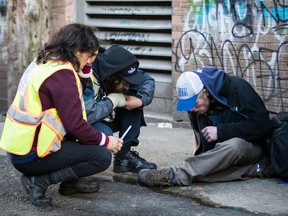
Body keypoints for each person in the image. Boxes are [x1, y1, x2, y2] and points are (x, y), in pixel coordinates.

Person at [0, 23, 123, 206]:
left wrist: (86, 67)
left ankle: (70, 183)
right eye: (90, 54)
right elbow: (75, 124)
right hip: (30, 154)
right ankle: (39, 181)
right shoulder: (61, 75)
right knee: (101, 155)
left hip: (25, 143)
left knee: (100, 129)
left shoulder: (47, 60)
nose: (92, 59)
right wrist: (107, 142)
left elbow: (74, 100)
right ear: (75, 50)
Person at [138, 67, 273, 187]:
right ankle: (258, 169)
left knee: (234, 145)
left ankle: (173, 175)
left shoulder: (238, 89)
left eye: (195, 103)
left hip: (251, 148)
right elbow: (200, 142)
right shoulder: (195, 108)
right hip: (221, 152)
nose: (192, 109)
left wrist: (221, 132)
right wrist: (203, 159)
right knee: (202, 169)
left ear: (205, 92)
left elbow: (263, 125)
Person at [83, 44, 157, 173]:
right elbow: (85, 116)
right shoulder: (86, 76)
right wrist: (113, 101)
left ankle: (124, 157)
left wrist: (140, 100)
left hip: (102, 114)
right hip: (83, 123)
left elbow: (147, 80)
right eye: (125, 82)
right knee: (105, 133)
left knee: (133, 101)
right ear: (111, 77)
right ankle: (73, 177)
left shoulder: (118, 66)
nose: (127, 87)